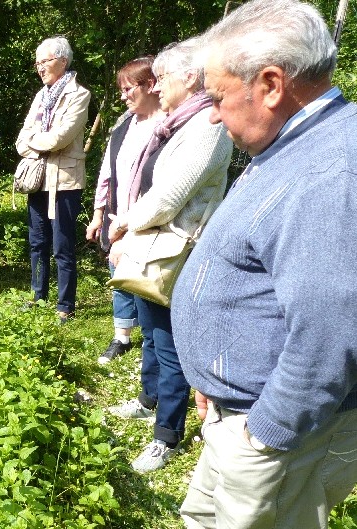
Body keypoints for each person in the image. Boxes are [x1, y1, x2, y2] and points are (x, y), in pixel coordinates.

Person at [173, 1, 357, 526]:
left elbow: (329, 331)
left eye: (218, 96)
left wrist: (267, 432)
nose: (211, 112)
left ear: (272, 85)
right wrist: (217, 374)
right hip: (239, 416)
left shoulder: (330, 172)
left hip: (277, 438)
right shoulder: (294, 146)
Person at [105, 39, 232, 473]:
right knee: (151, 330)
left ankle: (168, 436)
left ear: (190, 79)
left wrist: (122, 223)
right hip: (152, 242)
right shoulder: (177, 123)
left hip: (173, 248)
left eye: (162, 79)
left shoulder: (207, 126)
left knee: (168, 342)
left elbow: (168, 198)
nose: (156, 88)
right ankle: (149, 399)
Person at [86, 57, 164, 364]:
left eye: (128, 88)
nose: (123, 96)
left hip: (151, 220)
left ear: (151, 85)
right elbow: (106, 174)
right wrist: (98, 215)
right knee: (118, 275)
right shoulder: (123, 127)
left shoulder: (168, 125)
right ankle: (121, 337)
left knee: (145, 280)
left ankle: (152, 341)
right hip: (118, 216)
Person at [16, 36, 91, 323]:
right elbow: (21, 139)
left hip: (65, 181)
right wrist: (37, 142)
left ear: (62, 60)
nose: (39, 68)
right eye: (37, 63)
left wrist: (35, 141)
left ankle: (65, 304)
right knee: (37, 242)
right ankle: (38, 296)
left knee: (62, 245)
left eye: (44, 61)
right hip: (38, 179)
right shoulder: (41, 95)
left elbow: (62, 137)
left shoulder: (79, 94)